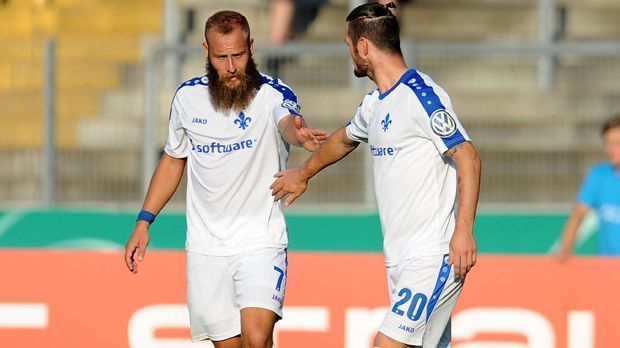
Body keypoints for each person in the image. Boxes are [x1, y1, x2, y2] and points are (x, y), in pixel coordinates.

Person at [270, 2, 481, 347]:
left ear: (363, 47)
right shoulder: (376, 103)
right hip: (400, 259)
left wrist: (463, 232)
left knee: (386, 344)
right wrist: (304, 173)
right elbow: (345, 138)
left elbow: (468, 157)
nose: (349, 53)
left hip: (433, 256)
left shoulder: (422, 96)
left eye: (349, 45)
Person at [124, 10, 327, 348]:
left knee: (258, 339)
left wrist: (298, 133)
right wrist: (144, 221)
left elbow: (288, 122)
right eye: (222, 57)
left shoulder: (273, 94)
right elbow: (174, 159)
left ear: (251, 46)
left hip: (260, 241)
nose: (231, 66)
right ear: (206, 51)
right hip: (206, 248)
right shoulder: (187, 99)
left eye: (238, 54)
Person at [557, 115, 620, 260]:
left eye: (616, 143)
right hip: (607, 269)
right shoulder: (599, 175)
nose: (610, 149)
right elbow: (578, 215)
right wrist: (565, 249)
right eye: (607, 143)